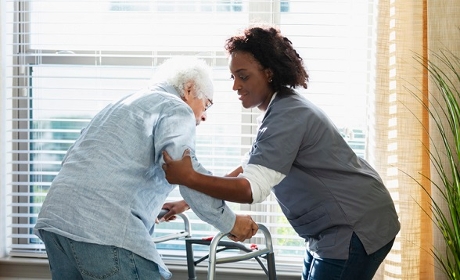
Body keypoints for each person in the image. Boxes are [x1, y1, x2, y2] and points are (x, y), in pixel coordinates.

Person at [161, 24, 401, 280]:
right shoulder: (278, 110)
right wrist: (187, 202)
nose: (235, 87)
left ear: (269, 73)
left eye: (243, 76)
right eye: (233, 77)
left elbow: (250, 189)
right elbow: (248, 168)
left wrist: (189, 178)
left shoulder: (288, 115)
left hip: (355, 225)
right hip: (331, 229)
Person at [34, 56, 258, 280]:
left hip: (56, 225)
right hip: (103, 232)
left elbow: (93, 167)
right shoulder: (175, 108)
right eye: (207, 104)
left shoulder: (119, 106)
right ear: (189, 89)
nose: (205, 115)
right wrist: (231, 222)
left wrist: (148, 208)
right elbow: (188, 173)